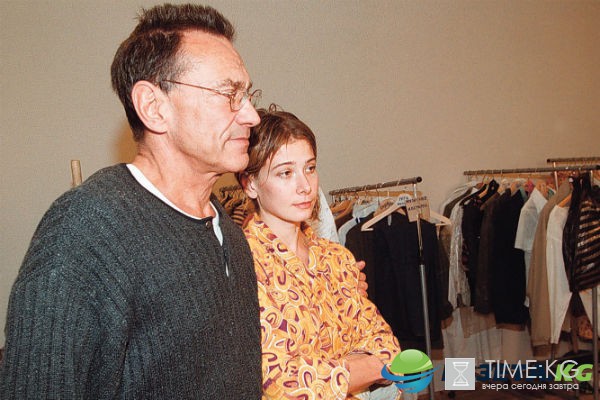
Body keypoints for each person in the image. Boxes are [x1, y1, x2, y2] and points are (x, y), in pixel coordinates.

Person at [1, 4, 263, 399]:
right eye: (229, 94)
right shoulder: (85, 232)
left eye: (247, 94)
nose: (252, 115)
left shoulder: (230, 232)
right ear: (153, 107)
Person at [238, 105, 401, 400]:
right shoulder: (243, 265)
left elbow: (387, 347)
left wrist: (334, 373)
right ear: (250, 184)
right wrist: (365, 367)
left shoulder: (336, 258)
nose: (305, 186)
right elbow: (279, 382)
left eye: (310, 168)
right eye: (285, 173)